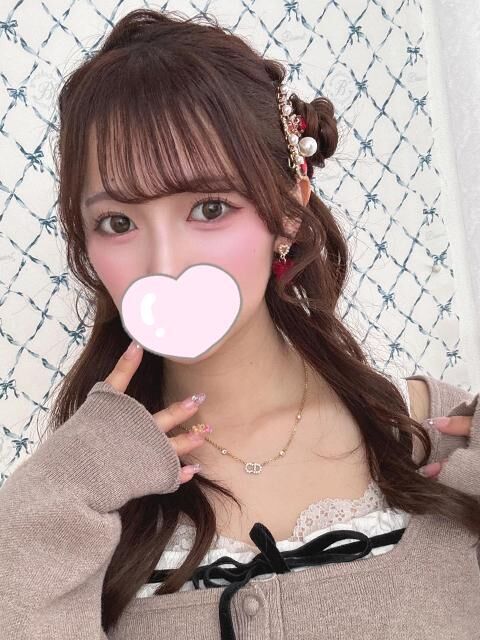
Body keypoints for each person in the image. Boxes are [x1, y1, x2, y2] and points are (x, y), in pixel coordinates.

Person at [0, 8, 479, 640]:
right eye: (118, 222)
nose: (165, 264)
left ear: (288, 212)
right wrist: (56, 497)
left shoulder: (437, 439)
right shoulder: (74, 502)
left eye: (209, 208)